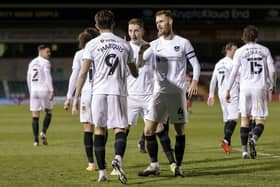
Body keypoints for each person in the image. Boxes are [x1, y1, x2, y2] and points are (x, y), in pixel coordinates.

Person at [72, 10, 138, 183]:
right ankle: (118, 158)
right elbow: (135, 72)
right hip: (117, 91)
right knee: (120, 129)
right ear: (113, 24)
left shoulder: (91, 45)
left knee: (99, 130)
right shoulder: (125, 45)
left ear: (96, 25)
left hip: (98, 93)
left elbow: (83, 72)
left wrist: (76, 96)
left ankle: (102, 173)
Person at [138, 10, 201, 177]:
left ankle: (178, 167)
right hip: (159, 93)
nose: (159, 24)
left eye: (162, 21)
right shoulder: (154, 45)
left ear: (170, 22)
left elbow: (195, 64)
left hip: (177, 93)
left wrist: (194, 81)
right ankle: (154, 166)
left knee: (179, 131)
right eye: (157, 22)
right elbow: (139, 61)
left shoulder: (183, 43)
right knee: (148, 130)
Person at [125, 18, 175, 163]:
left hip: (149, 96)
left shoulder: (151, 48)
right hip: (130, 96)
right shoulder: (124, 48)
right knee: (122, 129)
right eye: (130, 31)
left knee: (159, 127)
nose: (133, 34)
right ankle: (117, 162)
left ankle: (172, 163)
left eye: (136, 30)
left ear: (142, 31)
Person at [226, 25, 275, 159]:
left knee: (244, 119)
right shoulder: (264, 50)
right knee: (260, 120)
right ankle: (253, 139)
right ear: (257, 36)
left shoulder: (240, 51)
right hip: (260, 87)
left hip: (245, 88)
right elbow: (272, 71)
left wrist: (228, 89)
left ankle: (244, 151)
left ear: (244, 37)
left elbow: (234, 72)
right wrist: (272, 85)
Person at [64, 28, 99, 171]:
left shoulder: (79, 54)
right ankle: (101, 158)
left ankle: (91, 163)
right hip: (101, 92)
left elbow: (75, 76)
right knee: (101, 127)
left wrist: (70, 98)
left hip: (86, 93)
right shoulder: (101, 51)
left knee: (87, 128)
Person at [207, 42, 239, 154]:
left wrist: (211, 95)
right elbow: (238, 78)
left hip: (221, 93)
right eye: (235, 50)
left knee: (227, 119)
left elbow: (213, 80)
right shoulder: (233, 63)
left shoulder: (218, 63)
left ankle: (228, 145)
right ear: (228, 50)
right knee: (234, 118)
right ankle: (225, 140)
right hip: (231, 92)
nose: (236, 52)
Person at [26, 44, 54, 146]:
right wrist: (51, 90)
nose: (49, 54)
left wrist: (30, 91)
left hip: (34, 90)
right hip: (44, 90)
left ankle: (35, 140)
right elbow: (47, 76)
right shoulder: (46, 62)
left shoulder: (32, 62)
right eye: (47, 52)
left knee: (35, 116)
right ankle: (43, 132)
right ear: (41, 51)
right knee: (49, 111)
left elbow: (28, 78)